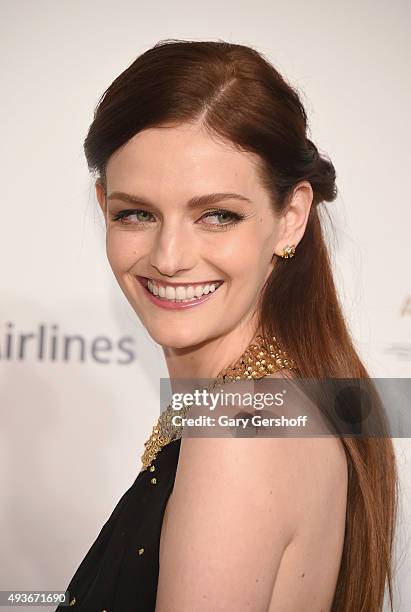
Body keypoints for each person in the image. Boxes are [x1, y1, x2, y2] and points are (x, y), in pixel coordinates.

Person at [56, 39, 397, 611]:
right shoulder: (274, 405)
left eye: (217, 215)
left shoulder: (239, 431)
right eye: (135, 213)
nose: (168, 257)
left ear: (290, 219)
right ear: (103, 206)